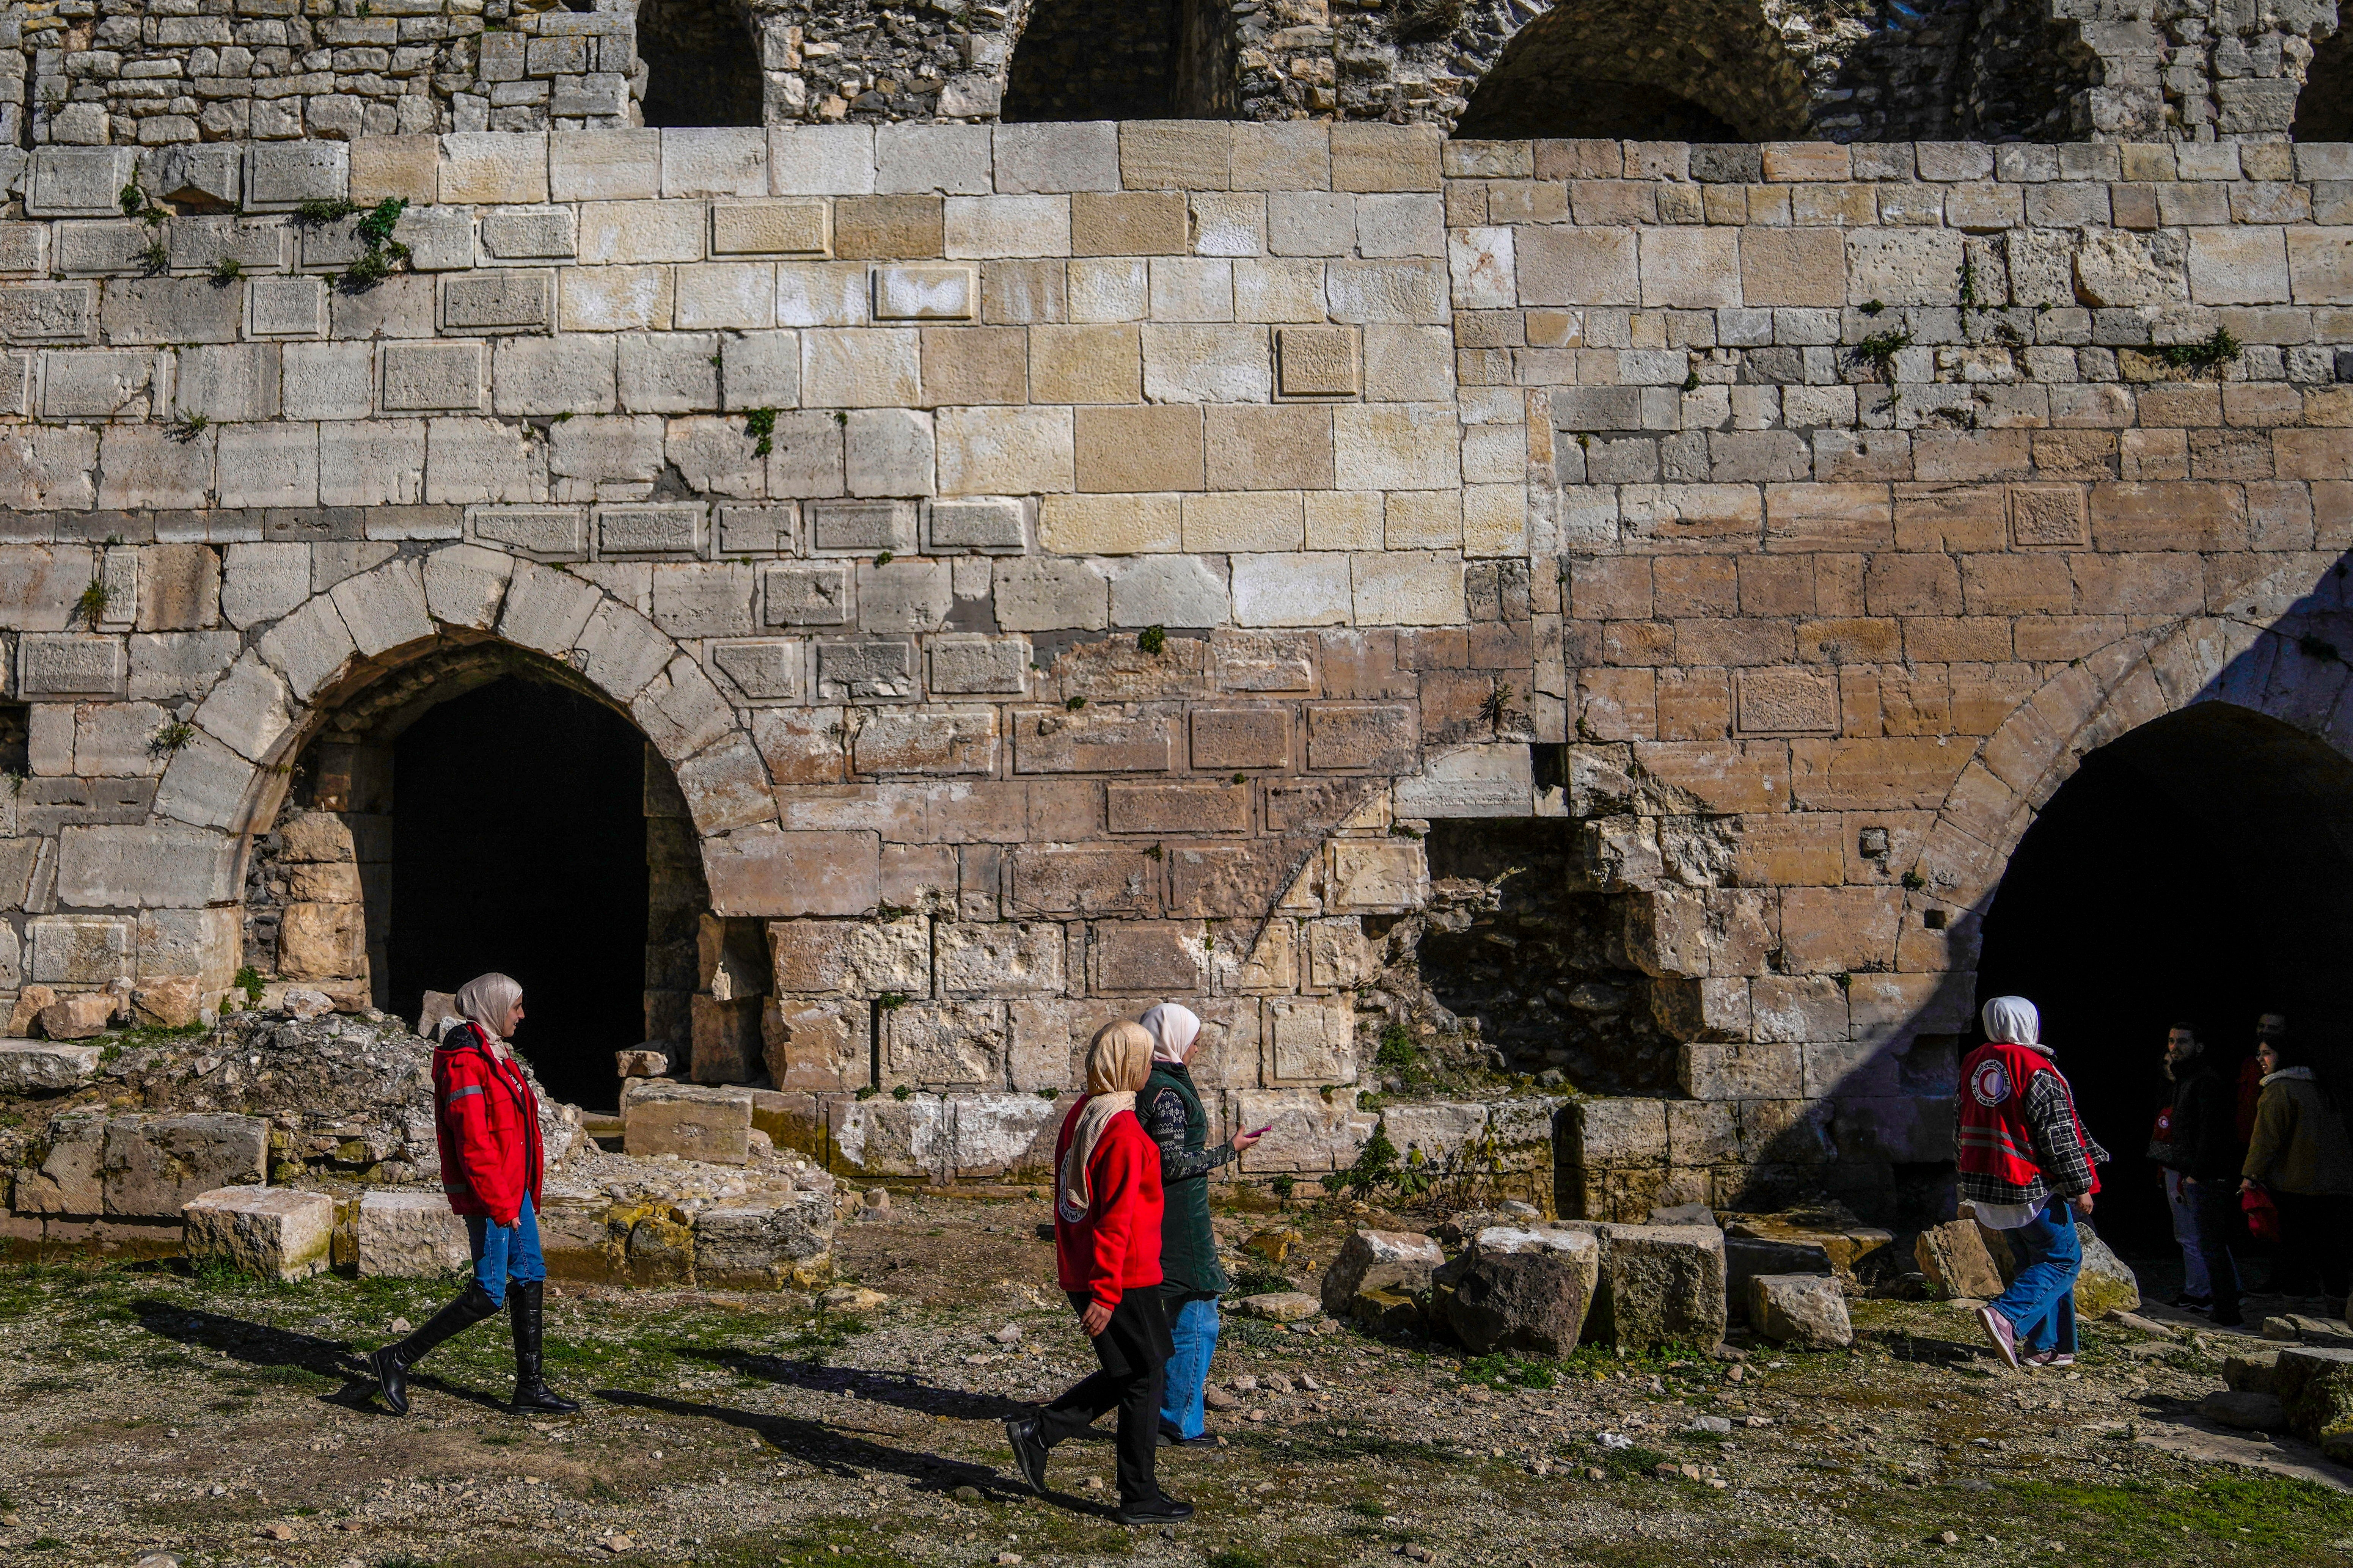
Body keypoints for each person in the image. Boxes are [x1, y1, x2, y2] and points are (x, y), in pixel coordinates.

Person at [1005, 1022, 1191, 1526]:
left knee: (1131, 1369)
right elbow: (1114, 1219)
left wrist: (1084, 1275)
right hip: (1122, 1276)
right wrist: (1106, 1290)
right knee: (1145, 1375)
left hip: (1087, 1269)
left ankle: (1039, 1432)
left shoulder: (1081, 1115)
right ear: (1128, 1064)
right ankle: (1139, 1496)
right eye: (1145, 1058)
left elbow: (1071, 1203)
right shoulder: (1125, 1132)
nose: (1151, 1066)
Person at [368, 974, 578, 1417]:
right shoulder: (466, 1060)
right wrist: (501, 1204)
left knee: (530, 1273)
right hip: (493, 1192)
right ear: (493, 1005)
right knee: (488, 1292)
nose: (522, 1015)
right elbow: (473, 1142)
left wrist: (519, 1192)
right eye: (516, 1006)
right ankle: (397, 1358)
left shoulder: (497, 1053)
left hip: (512, 1186)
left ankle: (531, 1388)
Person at [1957, 996, 2110, 1372]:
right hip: (2030, 1185)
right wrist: (2080, 1185)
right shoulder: (2034, 1068)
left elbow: (1959, 1123)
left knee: (2035, 1264)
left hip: (1991, 1184)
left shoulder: (1975, 1064)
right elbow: (2058, 1136)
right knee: (2062, 1260)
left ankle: (2049, 1347)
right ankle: (2005, 1316)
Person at [1137, 1003, 1262, 1448]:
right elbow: (1171, 1164)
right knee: (1197, 1313)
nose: (1197, 1046)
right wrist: (1229, 1150)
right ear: (1172, 1039)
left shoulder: (1147, 1082)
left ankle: (1160, 1412)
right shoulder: (1167, 1092)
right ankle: (1179, 1421)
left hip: (1164, 1216)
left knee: (1173, 1314)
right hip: (1180, 1220)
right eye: (1192, 1038)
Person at [2241, 1029, 2353, 1315]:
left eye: (2267, 1053)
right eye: (2259, 1053)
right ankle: (2338, 1307)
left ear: (2283, 1056)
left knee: (2293, 1249)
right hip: (2333, 1185)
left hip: (2295, 1186)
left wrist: (2251, 1174)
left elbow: (2266, 1139)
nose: (2261, 1060)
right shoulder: (2320, 1087)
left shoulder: (2280, 1090)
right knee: (2331, 1248)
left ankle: (2293, 1310)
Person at [2147, 1022, 2243, 1325]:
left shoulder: (2205, 1082)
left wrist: (2196, 1174)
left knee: (2209, 1244)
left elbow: (2210, 1134)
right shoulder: (2186, 1081)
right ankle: (2222, 1306)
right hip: (2194, 1173)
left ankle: (2225, 1311)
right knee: (2206, 1242)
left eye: (2183, 1042)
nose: (2175, 1047)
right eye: (2172, 1041)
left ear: (2199, 1047)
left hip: (2205, 1177)